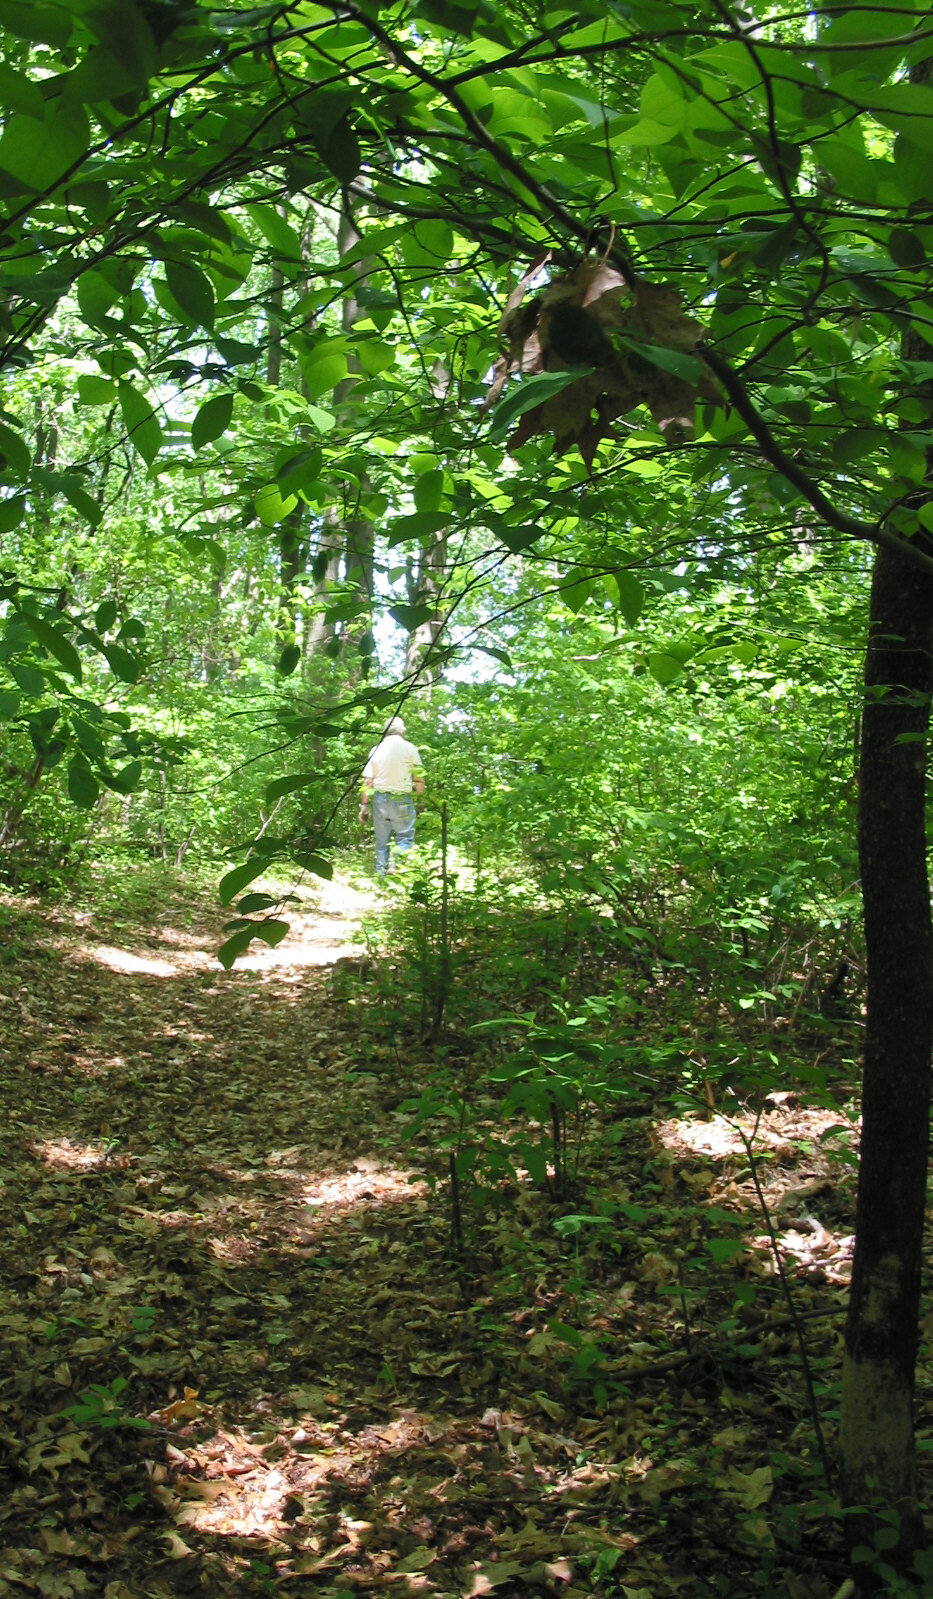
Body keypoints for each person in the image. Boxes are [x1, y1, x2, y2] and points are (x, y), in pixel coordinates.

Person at [359, 717, 425, 876]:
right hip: (402, 799)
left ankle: (380, 877)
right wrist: (421, 799)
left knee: (381, 843)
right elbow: (419, 777)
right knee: (405, 837)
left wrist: (364, 806)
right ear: (402, 731)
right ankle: (395, 866)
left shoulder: (376, 749)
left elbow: (368, 781)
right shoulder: (410, 749)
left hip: (380, 800)